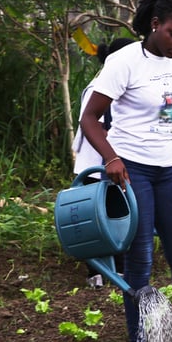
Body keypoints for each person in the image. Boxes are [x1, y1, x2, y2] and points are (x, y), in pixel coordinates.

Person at [79, 0, 172, 342]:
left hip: (169, 172)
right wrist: (111, 159)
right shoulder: (125, 61)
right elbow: (89, 118)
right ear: (155, 25)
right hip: (131, 171)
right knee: (140, 261)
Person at [72, 37, 135, 288]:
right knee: (96, 220)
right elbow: (93, 125)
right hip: (96, 165)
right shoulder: (98, 87)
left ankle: (118, 268)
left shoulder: (122, 85)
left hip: (112, 163)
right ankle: (96, 271)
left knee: (118, 215)